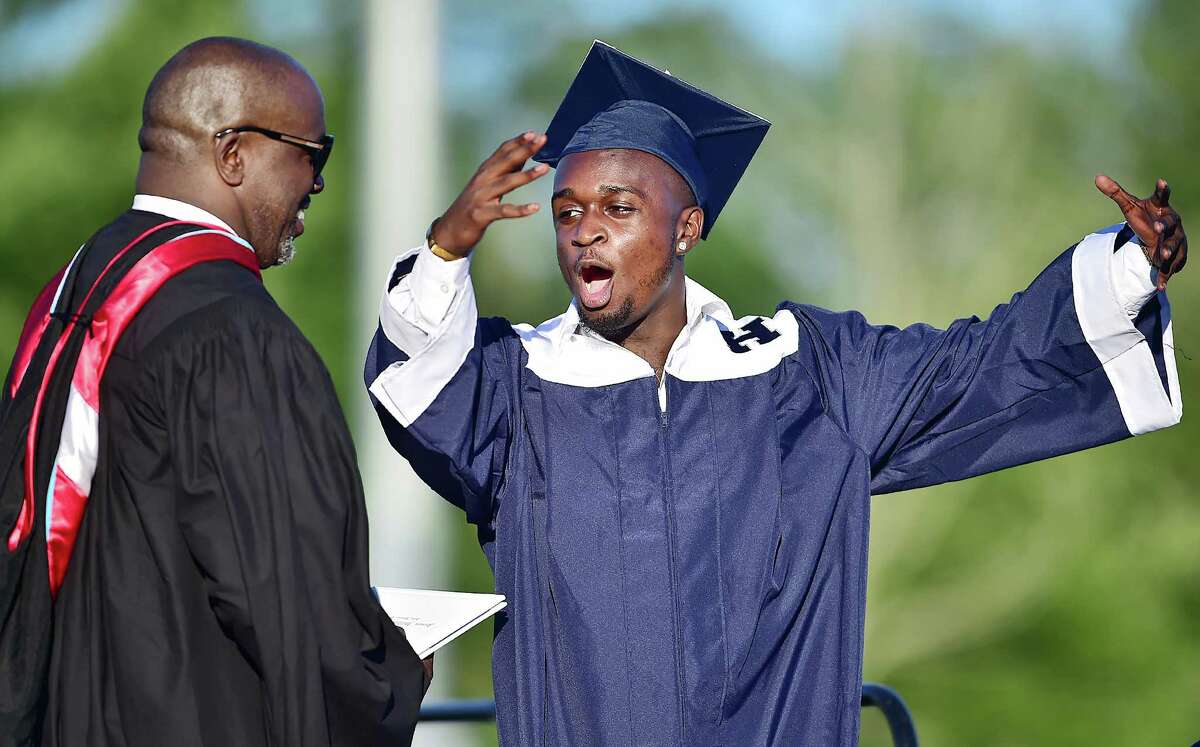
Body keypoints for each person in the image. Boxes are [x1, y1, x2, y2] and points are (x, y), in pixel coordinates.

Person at [364, 42, 1187, 745]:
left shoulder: (805, 372)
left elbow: (979, 366)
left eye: (619, 207)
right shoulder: (518, 386)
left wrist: (1127, 268)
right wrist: (445, 249)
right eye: (567, 211)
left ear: (686, 228)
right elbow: (418, 392)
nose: (586, 229)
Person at [1, 37, 426, 746]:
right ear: (233, 155)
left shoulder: (71, 294)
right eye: (311, 154)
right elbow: (288, 602)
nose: (317, 184)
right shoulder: (229, 332)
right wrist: (390, 671)